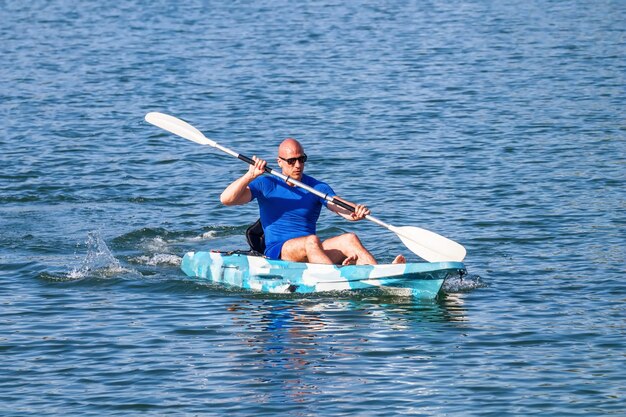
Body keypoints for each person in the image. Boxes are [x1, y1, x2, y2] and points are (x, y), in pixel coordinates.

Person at [220, 138, 405, 265]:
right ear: (280, 162)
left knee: (349, 239)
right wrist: (249, 175)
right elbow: (226, 200)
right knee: (311, 241)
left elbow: (338, 206)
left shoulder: (317, 187)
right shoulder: (266, 183)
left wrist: (355, 212)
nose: (298, 165)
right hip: (279, 252)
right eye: (291, 161)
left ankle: (382, 274)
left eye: (302, 159)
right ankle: (337, 276)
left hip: (312, 249)